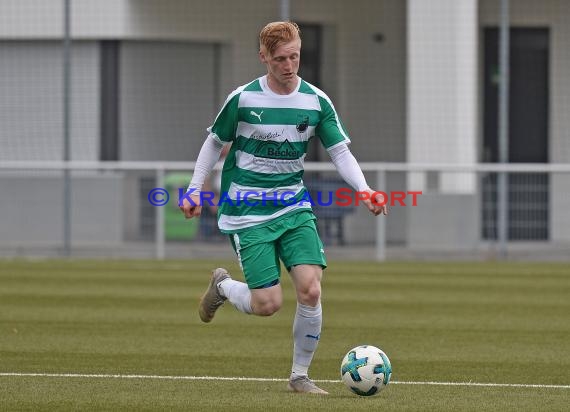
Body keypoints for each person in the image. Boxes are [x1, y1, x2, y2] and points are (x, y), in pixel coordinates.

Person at [180, 21, 388, 395]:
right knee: (267, 304)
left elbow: (340, 151)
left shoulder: (316, 101)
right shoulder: (243, 99)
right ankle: (223, 286)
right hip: (247, 211)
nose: (289, 65)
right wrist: (194, 190)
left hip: (293, 205)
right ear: (264, 58)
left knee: (310, 290)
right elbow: (214, 143)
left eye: (294, 56)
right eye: (280, 59)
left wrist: (365, 190)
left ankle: (299, 377)